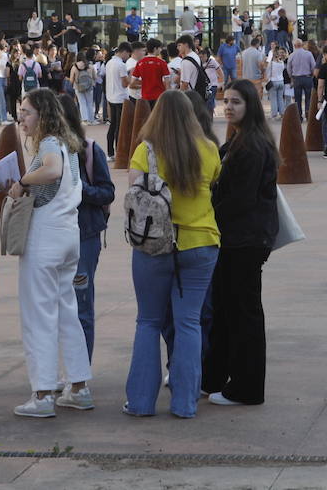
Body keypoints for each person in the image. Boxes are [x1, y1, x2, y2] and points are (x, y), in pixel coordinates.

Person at [124, 89, 220, 418]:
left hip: (155, 245)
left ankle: (139, 402)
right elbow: (215, 182)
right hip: (201, 242)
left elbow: (133, 193)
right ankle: (185, 403)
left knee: (148, 322)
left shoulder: (145, 151)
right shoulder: (209, 149)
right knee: (189, 322)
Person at [9, 89, 94, 417]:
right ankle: (79, 386)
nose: (22, 118)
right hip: (68, 235)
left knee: (38, 316)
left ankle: (43, 394)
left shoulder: (49, 144)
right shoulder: (68, 141)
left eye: (27, 112)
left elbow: (52, 170)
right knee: (65, 311)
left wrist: (23, 180)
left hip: (45, 237)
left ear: (43, 114)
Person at [203, 80, 278, 406]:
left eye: (236, 102)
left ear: (250, 106)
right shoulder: (240, 141)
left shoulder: (251, 146)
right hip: (238, 238)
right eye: (226, 101)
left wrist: (208, 216)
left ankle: (246, 388)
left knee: (243, 313)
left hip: (243, 240)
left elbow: (241, 199)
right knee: (227, 310)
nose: (229, 107)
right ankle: (215, 377)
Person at [57, 94, 114, 361]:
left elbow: (107, 192)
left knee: (81, 306)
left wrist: (79, 189)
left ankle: (79, 373)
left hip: (84, 236)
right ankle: (64, 370)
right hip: (53, 239)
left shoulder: (89, 150)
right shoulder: (45, 154)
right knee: (55, 307)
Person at [103, 43, 131, 159]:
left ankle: (110, 152)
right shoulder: (121, 65)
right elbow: (125, 83)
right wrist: (131, 75)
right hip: (120, 98)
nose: (128, 57)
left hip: (111, 97)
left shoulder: (109, 62)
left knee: (113, 125)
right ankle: (119, 152)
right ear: (124, 52)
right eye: (128, 54)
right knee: (120, 127)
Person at [130, 40, 171, 108]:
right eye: (159, 48)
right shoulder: (162, 63)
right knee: (158, 117)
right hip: (159, 97)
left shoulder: (140, 63)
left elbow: (132, 83)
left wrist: (145, 83)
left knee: (147, 117)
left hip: (145, 97)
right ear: (155, 49)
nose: (160, 50)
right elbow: (167, 82)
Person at [260, 43, 289, 119]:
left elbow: (268, 73)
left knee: (273, 99)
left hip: (273, 81)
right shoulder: (281, 63)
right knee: (280, 98)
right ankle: (282, 113)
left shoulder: (271, 63)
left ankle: (274, 114)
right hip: (281, 81)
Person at [70, 50, 96, 124]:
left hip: (78, 87)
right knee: (90, 103)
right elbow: (95, 77)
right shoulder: (90, 66)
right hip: (89, 87)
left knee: (82, 103)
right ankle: (91, 119)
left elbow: (71, 79)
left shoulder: (74, 67)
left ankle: (85, 120)